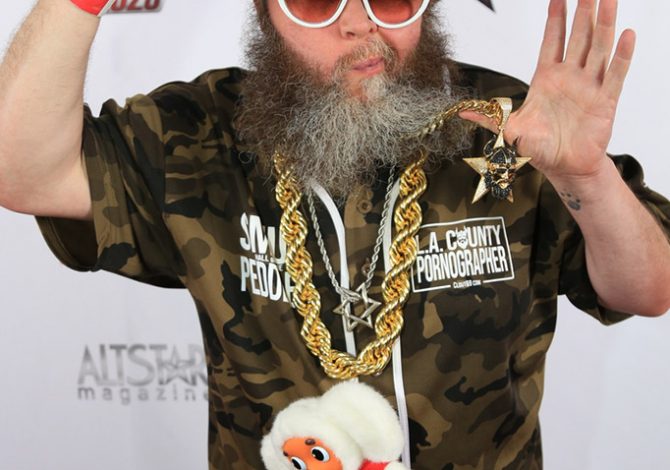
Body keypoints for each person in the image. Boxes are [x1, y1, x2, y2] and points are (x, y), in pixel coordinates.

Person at [0, 0, 669, 468]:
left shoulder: (514, 128)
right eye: (319, 2)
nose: (360, 23)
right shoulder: (198, 134)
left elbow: (651, 287)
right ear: (266, 12)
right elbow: (23, 172)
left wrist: (586, 176)